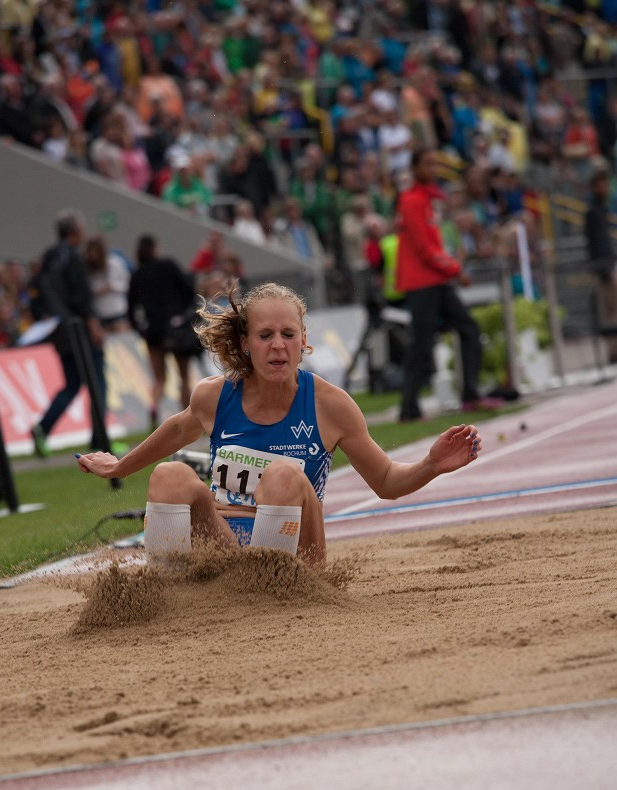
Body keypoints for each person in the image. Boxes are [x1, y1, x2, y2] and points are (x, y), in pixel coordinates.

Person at [76, 281, 482, 567]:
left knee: (283, 476)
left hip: (297, 559)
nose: (277, 346)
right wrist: (119, 466)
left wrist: (430, 465)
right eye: (265, 335)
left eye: (288, 335)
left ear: (303, 342)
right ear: (244, 344)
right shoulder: (214, 396)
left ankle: (269, 594)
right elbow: (174, 433)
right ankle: (163, 597)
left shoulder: (330, 405)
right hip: (225, 546)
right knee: (169, 475)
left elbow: (387, 480)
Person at [396, 149, 499, 421]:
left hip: (436, 279)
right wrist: (456, 269)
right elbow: (423, 249)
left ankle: (470, 395)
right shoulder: (411, 201)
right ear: (415, 166)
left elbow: (433, 244)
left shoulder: (428, 200)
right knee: (422, 343)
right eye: (427, 163)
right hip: (422, 282)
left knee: (468, 328)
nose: (433, 168)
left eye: (436, 164)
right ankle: (408, 408)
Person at [31, 210, 107, 457]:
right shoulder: (72, 257)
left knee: (72, 385)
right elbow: (81, 295)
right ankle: (99, 441)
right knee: (97, 385)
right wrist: (92, 323)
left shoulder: (49, 257)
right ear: (74, 231)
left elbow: (36, 291)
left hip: (59, 332)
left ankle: (42, 428)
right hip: (79, 330)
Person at [127, 235, 199, 429]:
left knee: (159, 379)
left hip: (153, 332)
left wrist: (141, 330)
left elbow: (131, 309)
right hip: (176, 329)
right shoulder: (168, 265)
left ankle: (153, 407)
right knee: (184, 377)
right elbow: (189, 291)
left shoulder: (137, 275)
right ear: (155, 248)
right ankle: (188, 418)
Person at [585, 170, 617, 365]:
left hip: (609, 265)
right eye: (600, 184)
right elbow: (596, 244)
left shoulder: (603, 209)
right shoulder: (592, 212)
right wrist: (604, 269)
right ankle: (614, 352)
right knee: (610, 312)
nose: (603, 188)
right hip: (605, 269)